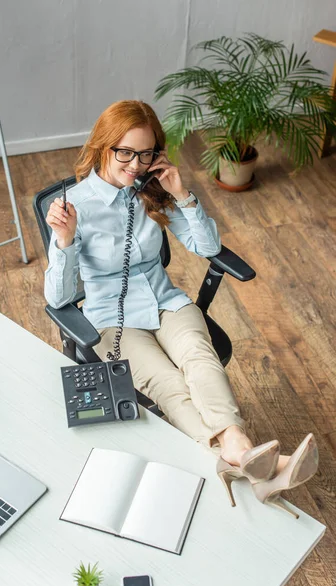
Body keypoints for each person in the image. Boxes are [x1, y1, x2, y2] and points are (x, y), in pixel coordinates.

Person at [45, 100, 318, 517]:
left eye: (147, 153)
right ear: (103, 146)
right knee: (169, 384)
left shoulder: (151, 189)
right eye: (125, 152)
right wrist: (65, 241)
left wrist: (182, 193)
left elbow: (207, 248)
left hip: (166, 301)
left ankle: (237, 455)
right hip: (111, 322)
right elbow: (59, 299)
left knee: (199, 357)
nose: (136, 165)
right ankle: (251, 459)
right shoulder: (73, 206)